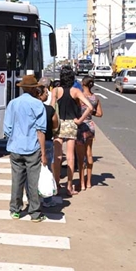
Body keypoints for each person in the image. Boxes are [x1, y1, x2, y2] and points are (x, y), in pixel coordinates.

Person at [4, 75, 48, 222]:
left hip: (15, 147)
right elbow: (40, 130)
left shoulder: (13, 103)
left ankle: (15, 210)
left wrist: (13, 138)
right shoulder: (38, 105)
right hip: (32, 147)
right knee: (33, 181)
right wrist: (43, 153)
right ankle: (35, 213)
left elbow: (7, 128)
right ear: (34, 89)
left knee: (17, 179)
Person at [51, 65, 94, 197]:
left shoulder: (56, 91)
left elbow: (52, 108)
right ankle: (69, 186)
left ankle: (56, 184)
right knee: (70, 156)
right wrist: (80, 120)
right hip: (71, 123)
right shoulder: (76, 91)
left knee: (57, 156)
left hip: (58, 123)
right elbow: (90, 106)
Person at [75, 76, 103, 190]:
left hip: (80, 126)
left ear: (82, 84)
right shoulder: (95, 98)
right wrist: (91, 112)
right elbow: (100, 114)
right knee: (89, 153)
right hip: (90, 126)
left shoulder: (79, 97)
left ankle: (81, 182)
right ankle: (89, 182)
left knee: (80, 157)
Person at [38, 77, 60, 208]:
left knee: (33, 170)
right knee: (47, 169)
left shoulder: (31, 109)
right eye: (46, 92)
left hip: (32, 144)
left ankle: (34, 196)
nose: (48, 93)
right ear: (40, 95)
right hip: (47, 141)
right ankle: (47, 199)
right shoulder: (49, 110)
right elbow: (55, 125)